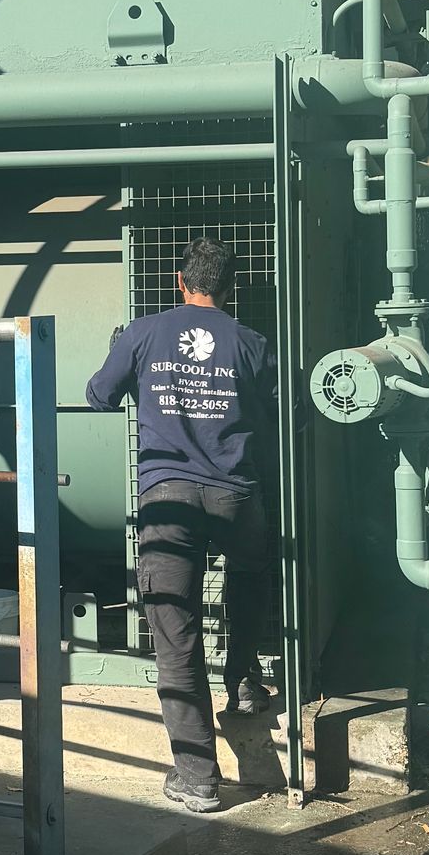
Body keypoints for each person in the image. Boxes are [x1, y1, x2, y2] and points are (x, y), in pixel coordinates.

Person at [84, 237, 277, 814]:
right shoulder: (251, 343)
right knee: (251, 572)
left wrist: (119, 351)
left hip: (168, 497)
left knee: (175, 634)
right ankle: (242, 681)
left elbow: (97, 396)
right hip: (236, 494)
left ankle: (196, 776)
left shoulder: (145, 333)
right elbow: (264, 410)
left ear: (178, 279)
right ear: (231, 287)